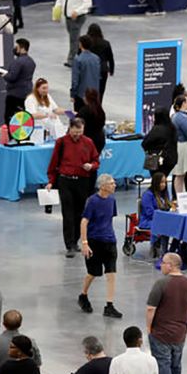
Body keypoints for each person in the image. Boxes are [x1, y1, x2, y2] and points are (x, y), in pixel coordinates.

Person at [46, 119, 99, 257]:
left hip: (83, 182)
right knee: (68, 213)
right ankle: (69, 245)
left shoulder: (88, 142)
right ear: (69, 128)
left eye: (80, 132)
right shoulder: (61, 142)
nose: (77, 135)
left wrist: (91, 166)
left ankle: (76, 240)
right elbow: (54, 163)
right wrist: (51, 181)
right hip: (65, 181)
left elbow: (96, 161)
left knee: (81, 213)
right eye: (75, 132)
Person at [76, 174, 122, 318]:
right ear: (102, 186)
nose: (114, 185)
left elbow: (109, 220)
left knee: (111, 273)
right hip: (94, 241)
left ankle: (109, 305)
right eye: (111, 183)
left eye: (114, 183)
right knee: (93, 273)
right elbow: (84, 222)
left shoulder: (112, 200)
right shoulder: (92, 201)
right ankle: (83, 295)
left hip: (110, 241)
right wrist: (85, 243)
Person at [54, 0, 92, 65]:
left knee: (74, 38)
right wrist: (56, 12)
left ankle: (71, 60)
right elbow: (60, 0)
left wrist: (77, 11)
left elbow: (88, 3)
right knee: (74, 37)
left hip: (77, 17)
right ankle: (79, 54)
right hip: (67, 17)